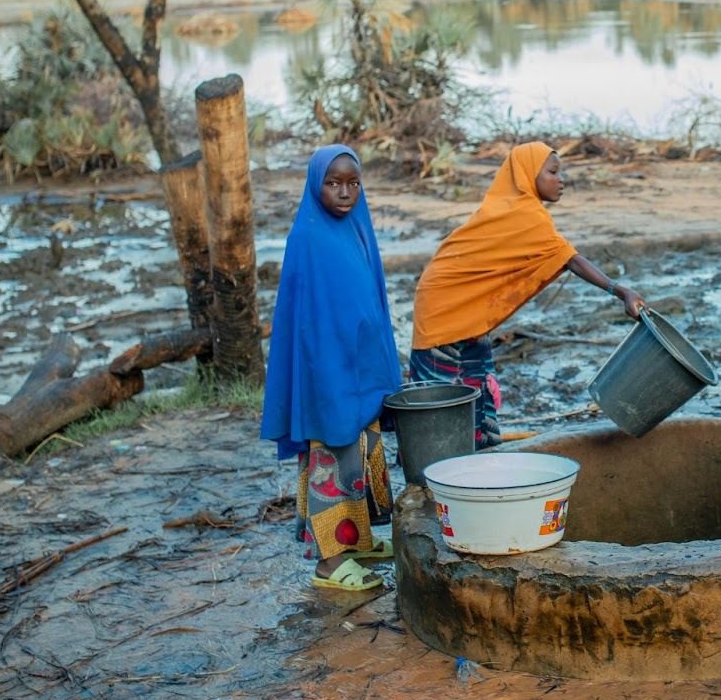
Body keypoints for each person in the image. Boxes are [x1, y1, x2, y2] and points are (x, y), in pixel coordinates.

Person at [410, 142, 645, 447]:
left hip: (465, 314)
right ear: (527, 175)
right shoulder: (523, 215)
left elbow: (560, 254)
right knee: (439, 400)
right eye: (553, 172)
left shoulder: (519, 211)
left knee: (476, 385)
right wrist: (620, 290)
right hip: (442, 310)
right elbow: (570, 259)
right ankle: (431, 476)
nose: (562, 179)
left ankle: (480, 461)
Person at [260, 146, 403, 592]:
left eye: (353, 183)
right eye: (333, 183)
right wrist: (326, 378)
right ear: (315, 183)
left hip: (360, 368)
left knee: (360, 450)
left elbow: (373, 298)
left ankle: (355, 541)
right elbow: (306, 322)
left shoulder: (358, 228)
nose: (344, 192)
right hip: (328, 373)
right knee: (331, 455)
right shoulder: (308, 237)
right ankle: (328, 561)